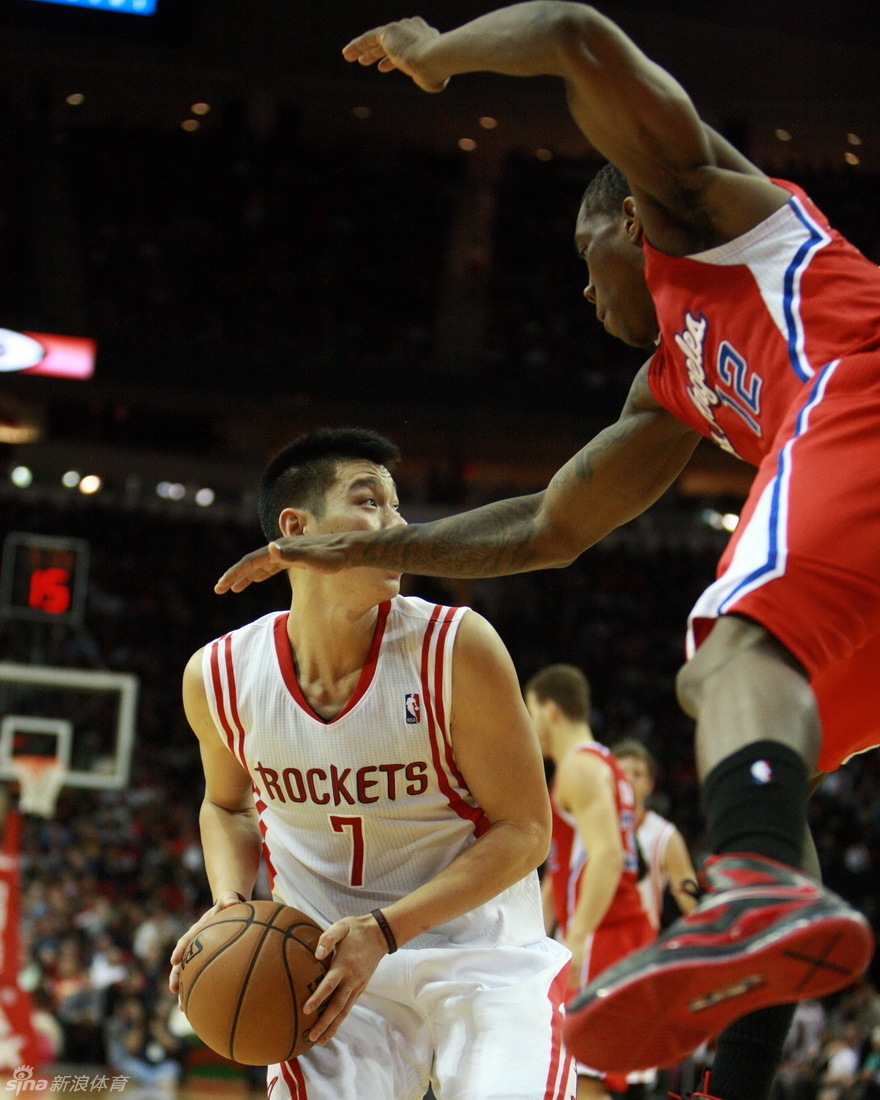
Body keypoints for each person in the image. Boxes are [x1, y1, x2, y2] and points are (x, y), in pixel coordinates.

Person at [214, 6, 879, 1098]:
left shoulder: (697, 211)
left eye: (583, 254)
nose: (582, 288)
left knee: (727, 662)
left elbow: (575, 32)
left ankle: (756, 888)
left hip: (863, 383)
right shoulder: (672, 384)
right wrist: (371, 547)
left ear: (623, 213)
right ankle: (740, 1076)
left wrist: (440, 55)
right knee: (770, 748)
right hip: (848, 460)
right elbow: (550, 523)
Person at [169, 428, 576, 1100]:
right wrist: (229, 907)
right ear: (297, 529)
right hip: (325, 978)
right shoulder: (219, 676)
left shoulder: (455, 648)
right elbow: (226, 805)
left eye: (396, 506)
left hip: (480, 961)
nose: (399, 524)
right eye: (370, 502)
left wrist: (385, 932)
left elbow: (527, 831)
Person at [526, 664, 655, 1100]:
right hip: (609, 930)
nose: (530, 725)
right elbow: (564, 870)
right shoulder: (602, 764)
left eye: (531, 710)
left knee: (585, 1077)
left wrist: (578, 935)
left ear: (550, 709)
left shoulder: (580, 768)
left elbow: (607, 856)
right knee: (581, 1073)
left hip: (604, 933)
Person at [609, 738, 698, 930]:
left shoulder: (665, 835)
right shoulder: (590, 827)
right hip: (591, 942)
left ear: (650, 785)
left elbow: (690, 898)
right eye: (622, 773)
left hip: (639, 944)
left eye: (637, 774)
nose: (629, 779)